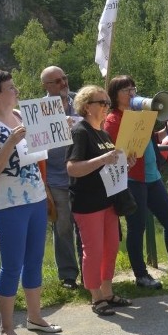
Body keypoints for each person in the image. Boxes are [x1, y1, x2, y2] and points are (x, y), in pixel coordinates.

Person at [0, 69, 62, 335]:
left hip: (35, 198)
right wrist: (11, 141)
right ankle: (6, 327)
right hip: (9, 204)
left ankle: (35, 317)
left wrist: (59, 126)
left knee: (35, 261)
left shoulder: (24, 116)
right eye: (11, 88)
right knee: (12, 266)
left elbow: (41, 150)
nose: (17, 91)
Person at [104, 75, 168, 288]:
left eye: (133, 87)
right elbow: (115, 148)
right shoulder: (113, 119)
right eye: (125, 89)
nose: (132, 92)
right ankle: (141, 275)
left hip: (152, 177)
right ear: (115, 95)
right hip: (133, 179)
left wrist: (165, 129)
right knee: (137, 227)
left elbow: (150, 141)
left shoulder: (140, 114)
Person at [67, 86, 136, 317]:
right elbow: (73, 168)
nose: (107, 106)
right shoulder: (80, 131)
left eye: (108, 102)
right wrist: (103, 159)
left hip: (108, 200)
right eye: (102, 102)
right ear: (88, 106)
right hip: (87, 203)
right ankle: (95, 296)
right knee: (93, 250)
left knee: (111, 248)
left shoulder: (103, 133)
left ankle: (107, 291)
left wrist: (125, 164)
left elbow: (108, 166)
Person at [40, 66, 81, 290]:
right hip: (56, 176)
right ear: (46, 86)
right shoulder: (39, 109)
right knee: (63, 226)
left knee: (85, 225)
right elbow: (35, 144)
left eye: (64, 78)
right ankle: (68, 275)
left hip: (84, 174)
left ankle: (91, 273)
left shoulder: (80, 101)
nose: (63, 83)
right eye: (56, 81)